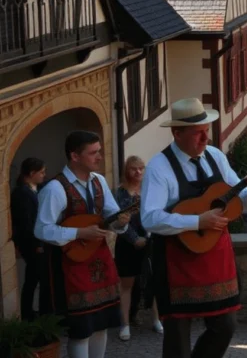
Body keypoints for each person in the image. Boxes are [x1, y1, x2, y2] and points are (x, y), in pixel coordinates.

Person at [141, 98, 247, 358]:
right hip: (177, 263)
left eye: (206, 130)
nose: (205, 138)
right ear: (177, 133)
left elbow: (235, 200)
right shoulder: (158, 168)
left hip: (215, 257)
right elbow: (149, 218)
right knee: (178, 337)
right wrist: (196, 221)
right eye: (198, 133)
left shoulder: (215, 157)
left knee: (226, 325)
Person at [35, 131, 127, 358]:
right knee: (81, 330)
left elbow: (111, 215)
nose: (100, 157)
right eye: (93, 153)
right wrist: (80, 232)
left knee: (101, 324)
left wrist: (121, 221)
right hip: (71, 266)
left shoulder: (99, 181)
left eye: (99, 151)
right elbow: (42, 229)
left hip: (100, 261)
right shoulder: (55, 188)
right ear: (75, 156)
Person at [115, 156, 162, 341]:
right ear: (127, 171)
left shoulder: (150, 190)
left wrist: (149, 236)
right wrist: (134, 239)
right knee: (126, 285)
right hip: (127, 244)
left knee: (155, 282)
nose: (138, 172)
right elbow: (118, 219)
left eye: (141, 168)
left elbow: (158, 212)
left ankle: (157, 319)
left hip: (150, 241)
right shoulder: (120, 193)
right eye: (134, 169)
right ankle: (125, 324)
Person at [12, 157, 46, 320]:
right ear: (32, 173)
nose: (43, 176)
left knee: (34, 278)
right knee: (35, 278)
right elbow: (27, 222)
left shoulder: (34, 190)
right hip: (31, 243)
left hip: (36, 241)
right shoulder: (22, 193)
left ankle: (31, 312)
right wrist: (37, 244)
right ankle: (29, 313)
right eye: (41, 172)